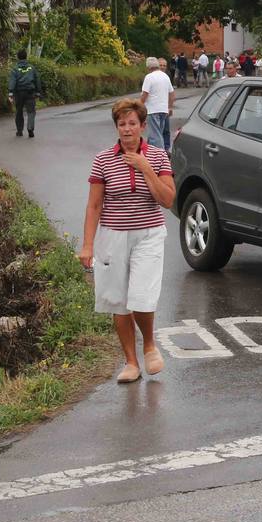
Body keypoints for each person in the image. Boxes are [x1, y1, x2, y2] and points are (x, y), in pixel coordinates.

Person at [79, 98, 176, 383]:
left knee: (142, 297)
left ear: (143, 126)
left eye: (132, 123)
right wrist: (87, 245)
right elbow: (94, 206)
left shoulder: (158, 157)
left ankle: (148, 344)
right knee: (117, 301)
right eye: (122, 124)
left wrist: (145, 167)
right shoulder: (103, 160)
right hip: (113, 236)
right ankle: (131, 362)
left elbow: (168, 200)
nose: (127, 129)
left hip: (148, 235)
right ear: (117, 127)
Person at [140, 56, 175, 149]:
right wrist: (170, 107)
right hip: (164, 110)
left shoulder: (149, 77)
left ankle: (161, 155)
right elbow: (172, 94)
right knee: (157, 133)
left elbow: (145, 94)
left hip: (152, 110)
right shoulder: (165, 76)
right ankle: (150, 153)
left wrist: (138, 105)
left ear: (148, 67)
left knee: (155, 135)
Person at [7, 49, 42, 138]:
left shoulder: (15, 69)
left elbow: (12, 81)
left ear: (18, 57)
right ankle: (30, 128)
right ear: (26, 57)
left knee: (19, 111)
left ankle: (19, 131)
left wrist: (10, 93)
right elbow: (37, 79)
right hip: (30, 92)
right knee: (31, 111)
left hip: (19, 93)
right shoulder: (32, 68)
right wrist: (38, 92)